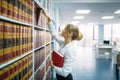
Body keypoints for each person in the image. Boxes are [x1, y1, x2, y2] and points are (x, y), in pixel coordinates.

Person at [42, 8, 83, 80]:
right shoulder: (63, 42)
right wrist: (49, 19)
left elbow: (64, 72)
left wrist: (53, 66)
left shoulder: (71, 50)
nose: (62, 30)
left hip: (65, 78)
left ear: (70, 33)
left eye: (65, 29)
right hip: (59, 76)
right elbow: (54, 34)